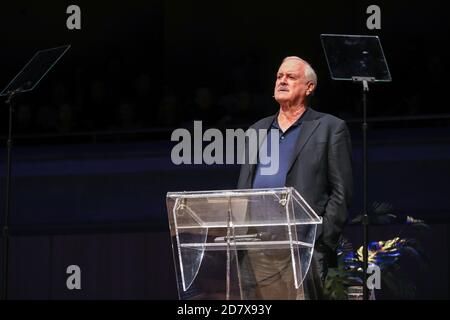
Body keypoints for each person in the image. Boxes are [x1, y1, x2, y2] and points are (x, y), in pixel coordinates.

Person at [237, 56, 353, 299]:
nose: (282, 81)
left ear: (309, 87)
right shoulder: (256, 130)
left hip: (303, 248)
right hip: (257, 249)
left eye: (291, 77)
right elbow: (244, 187)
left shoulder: (330, 127)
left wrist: (320, 239)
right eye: (279, 76)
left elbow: (341, 193)